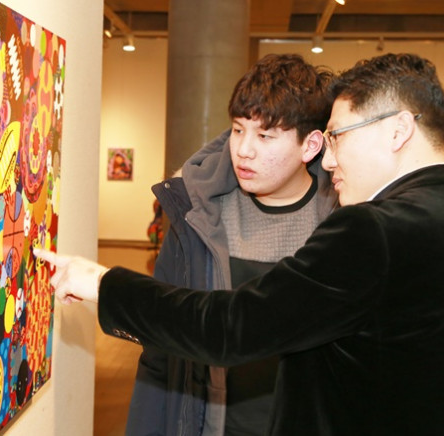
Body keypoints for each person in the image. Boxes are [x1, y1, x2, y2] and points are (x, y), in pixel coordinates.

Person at [36, 53, 444, 435]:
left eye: (338, 137)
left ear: (397, 131)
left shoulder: (372, 230)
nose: (328, 159)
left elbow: (231, 327)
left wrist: (105, 284)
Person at [130, 53, 337, 436]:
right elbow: (159, 350)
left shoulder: (341, 224)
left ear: (310, 146)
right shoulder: (198, 217)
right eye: (239, 130)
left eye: (265, 136)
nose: (243, 149)